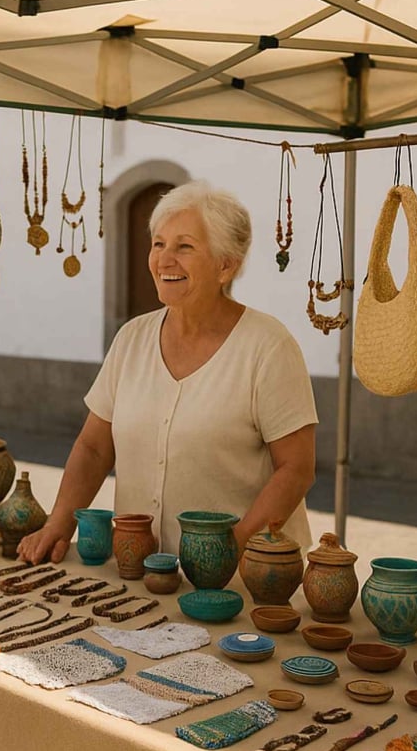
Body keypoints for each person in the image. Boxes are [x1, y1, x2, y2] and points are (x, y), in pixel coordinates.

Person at [19, 181, 317, 565]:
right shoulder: (132, 338)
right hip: (141, 574)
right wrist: (58, 525)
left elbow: (296, 469)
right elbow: (94, 448)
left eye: (185, 247)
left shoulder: (268, 346)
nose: (164, 259)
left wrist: (230, 551)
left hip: (247, 578)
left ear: (225, 265)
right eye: (159, 244)